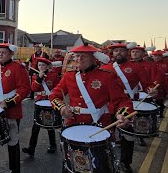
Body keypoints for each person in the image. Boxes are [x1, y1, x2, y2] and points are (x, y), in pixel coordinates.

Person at [49, 43, 134, 173]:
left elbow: (122, 100)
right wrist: (62, 108)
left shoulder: (107, 76)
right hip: (74, 124)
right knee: (71, 162)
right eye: (77, 56)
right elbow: (54, 96)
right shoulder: (68, 76)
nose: (79, 59)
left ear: (94, 58)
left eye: (83, 56)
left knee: (100, 164)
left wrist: (122, 114)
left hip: (100, 125)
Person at [101, 42, 157, 172]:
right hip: (108, 105)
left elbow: (147, 84)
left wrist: (151, 90)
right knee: (107, 135)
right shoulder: (105, 68)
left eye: (122, 50)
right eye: (116, 51)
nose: (119, 53)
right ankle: (106, 161)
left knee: (128, 135)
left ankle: (125, 163)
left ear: (127, 52)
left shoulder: (136, 67)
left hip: (128, 105)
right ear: (112, 53)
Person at [0, 43, 30, 173]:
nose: (0, 54)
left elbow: (25, 89)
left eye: (3, 52)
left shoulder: (18, 68)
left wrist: (8, 102)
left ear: (11, 54)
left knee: (12, 142)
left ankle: (14, 169)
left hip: (12, 110)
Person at [22, 57, 60, 157]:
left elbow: (58, 88)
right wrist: (40, 77)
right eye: (39, 65)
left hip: (49, 102)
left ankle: (53, 145)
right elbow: (33, 88)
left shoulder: (53, 75)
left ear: (47, 66)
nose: (41, 67)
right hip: (39, 102)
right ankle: (31, 148)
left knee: (50, 125)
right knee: (36, 126)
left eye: (43, 65)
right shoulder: (36, 76)